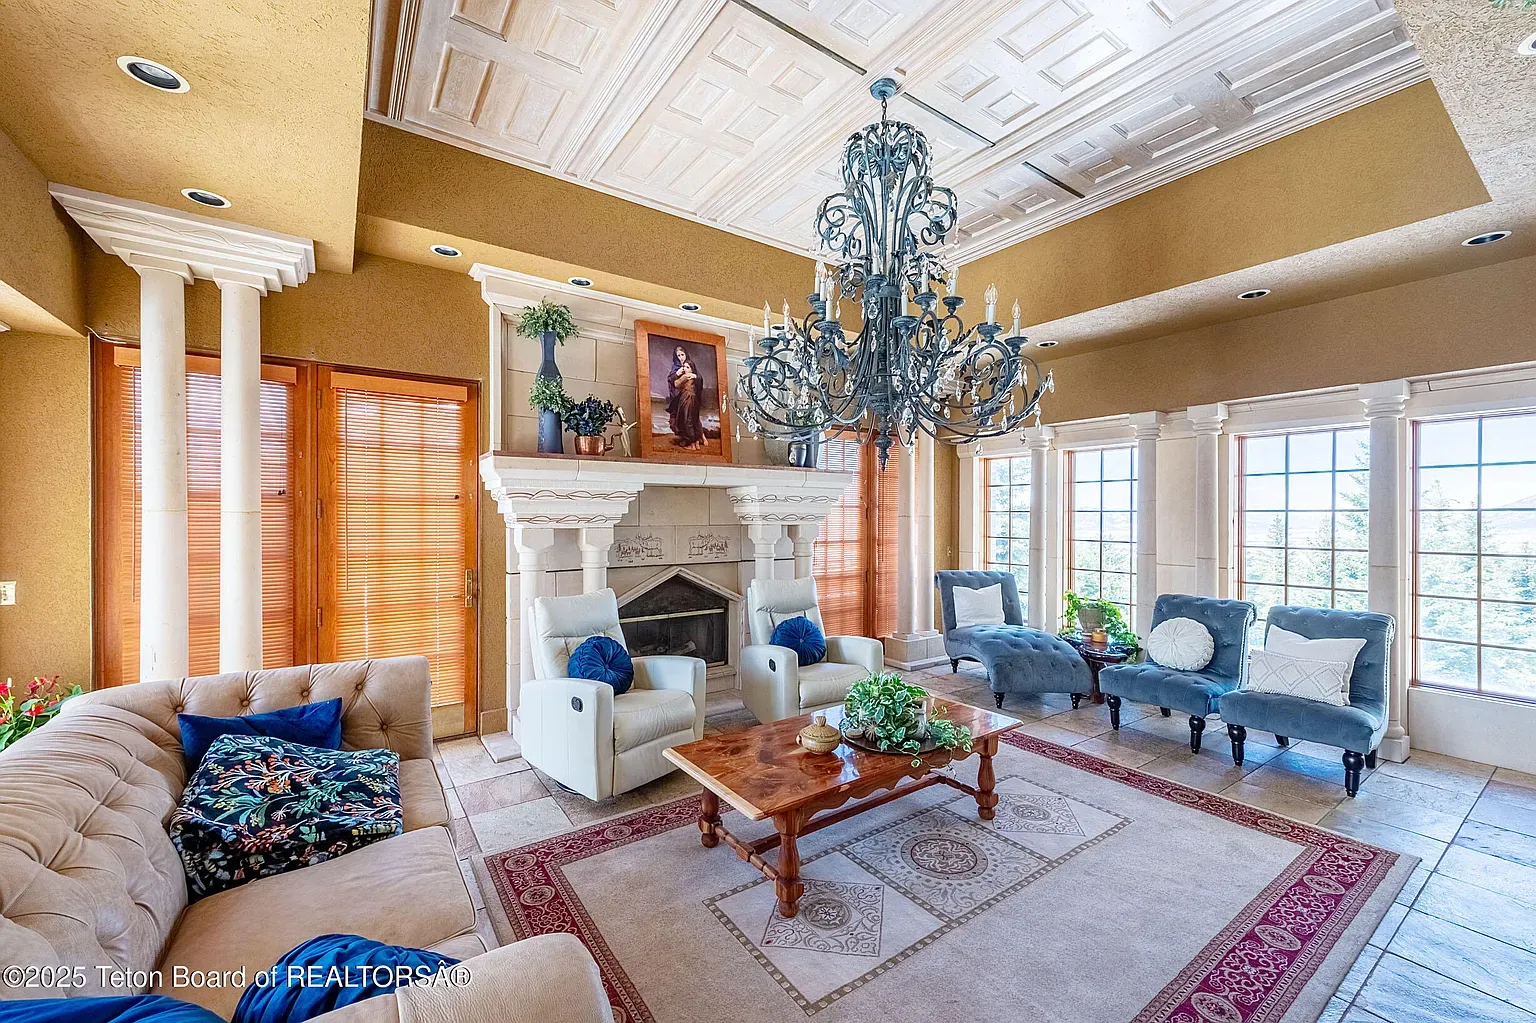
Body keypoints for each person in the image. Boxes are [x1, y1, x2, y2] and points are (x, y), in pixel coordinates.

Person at [665, 345, 706, 449]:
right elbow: (672, 381)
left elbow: (698, 377)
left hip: (688, 397)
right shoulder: (675, 367)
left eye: (682, 354)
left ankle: (697, 439)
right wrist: (676, 374)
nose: (680, 358)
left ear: (686, 354)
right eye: (678, 355)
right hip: (679, 397)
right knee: (682, 418)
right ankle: (690, 439)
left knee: (691, 418)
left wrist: (695, 376)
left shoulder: (689, 364)